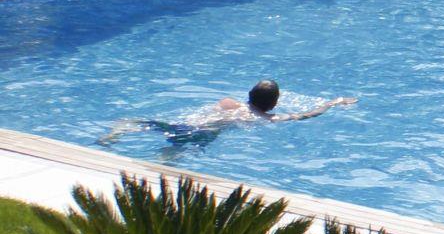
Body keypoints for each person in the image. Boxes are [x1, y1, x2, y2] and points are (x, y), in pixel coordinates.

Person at [102, 80, 355, 147]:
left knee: (145, 125)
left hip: (188, 122)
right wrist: (334, 102)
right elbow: (307, 115)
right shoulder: (265, 118)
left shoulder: (228, 102)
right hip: (203, 134)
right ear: (273, 105)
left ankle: (121, 128)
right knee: (176, 150)